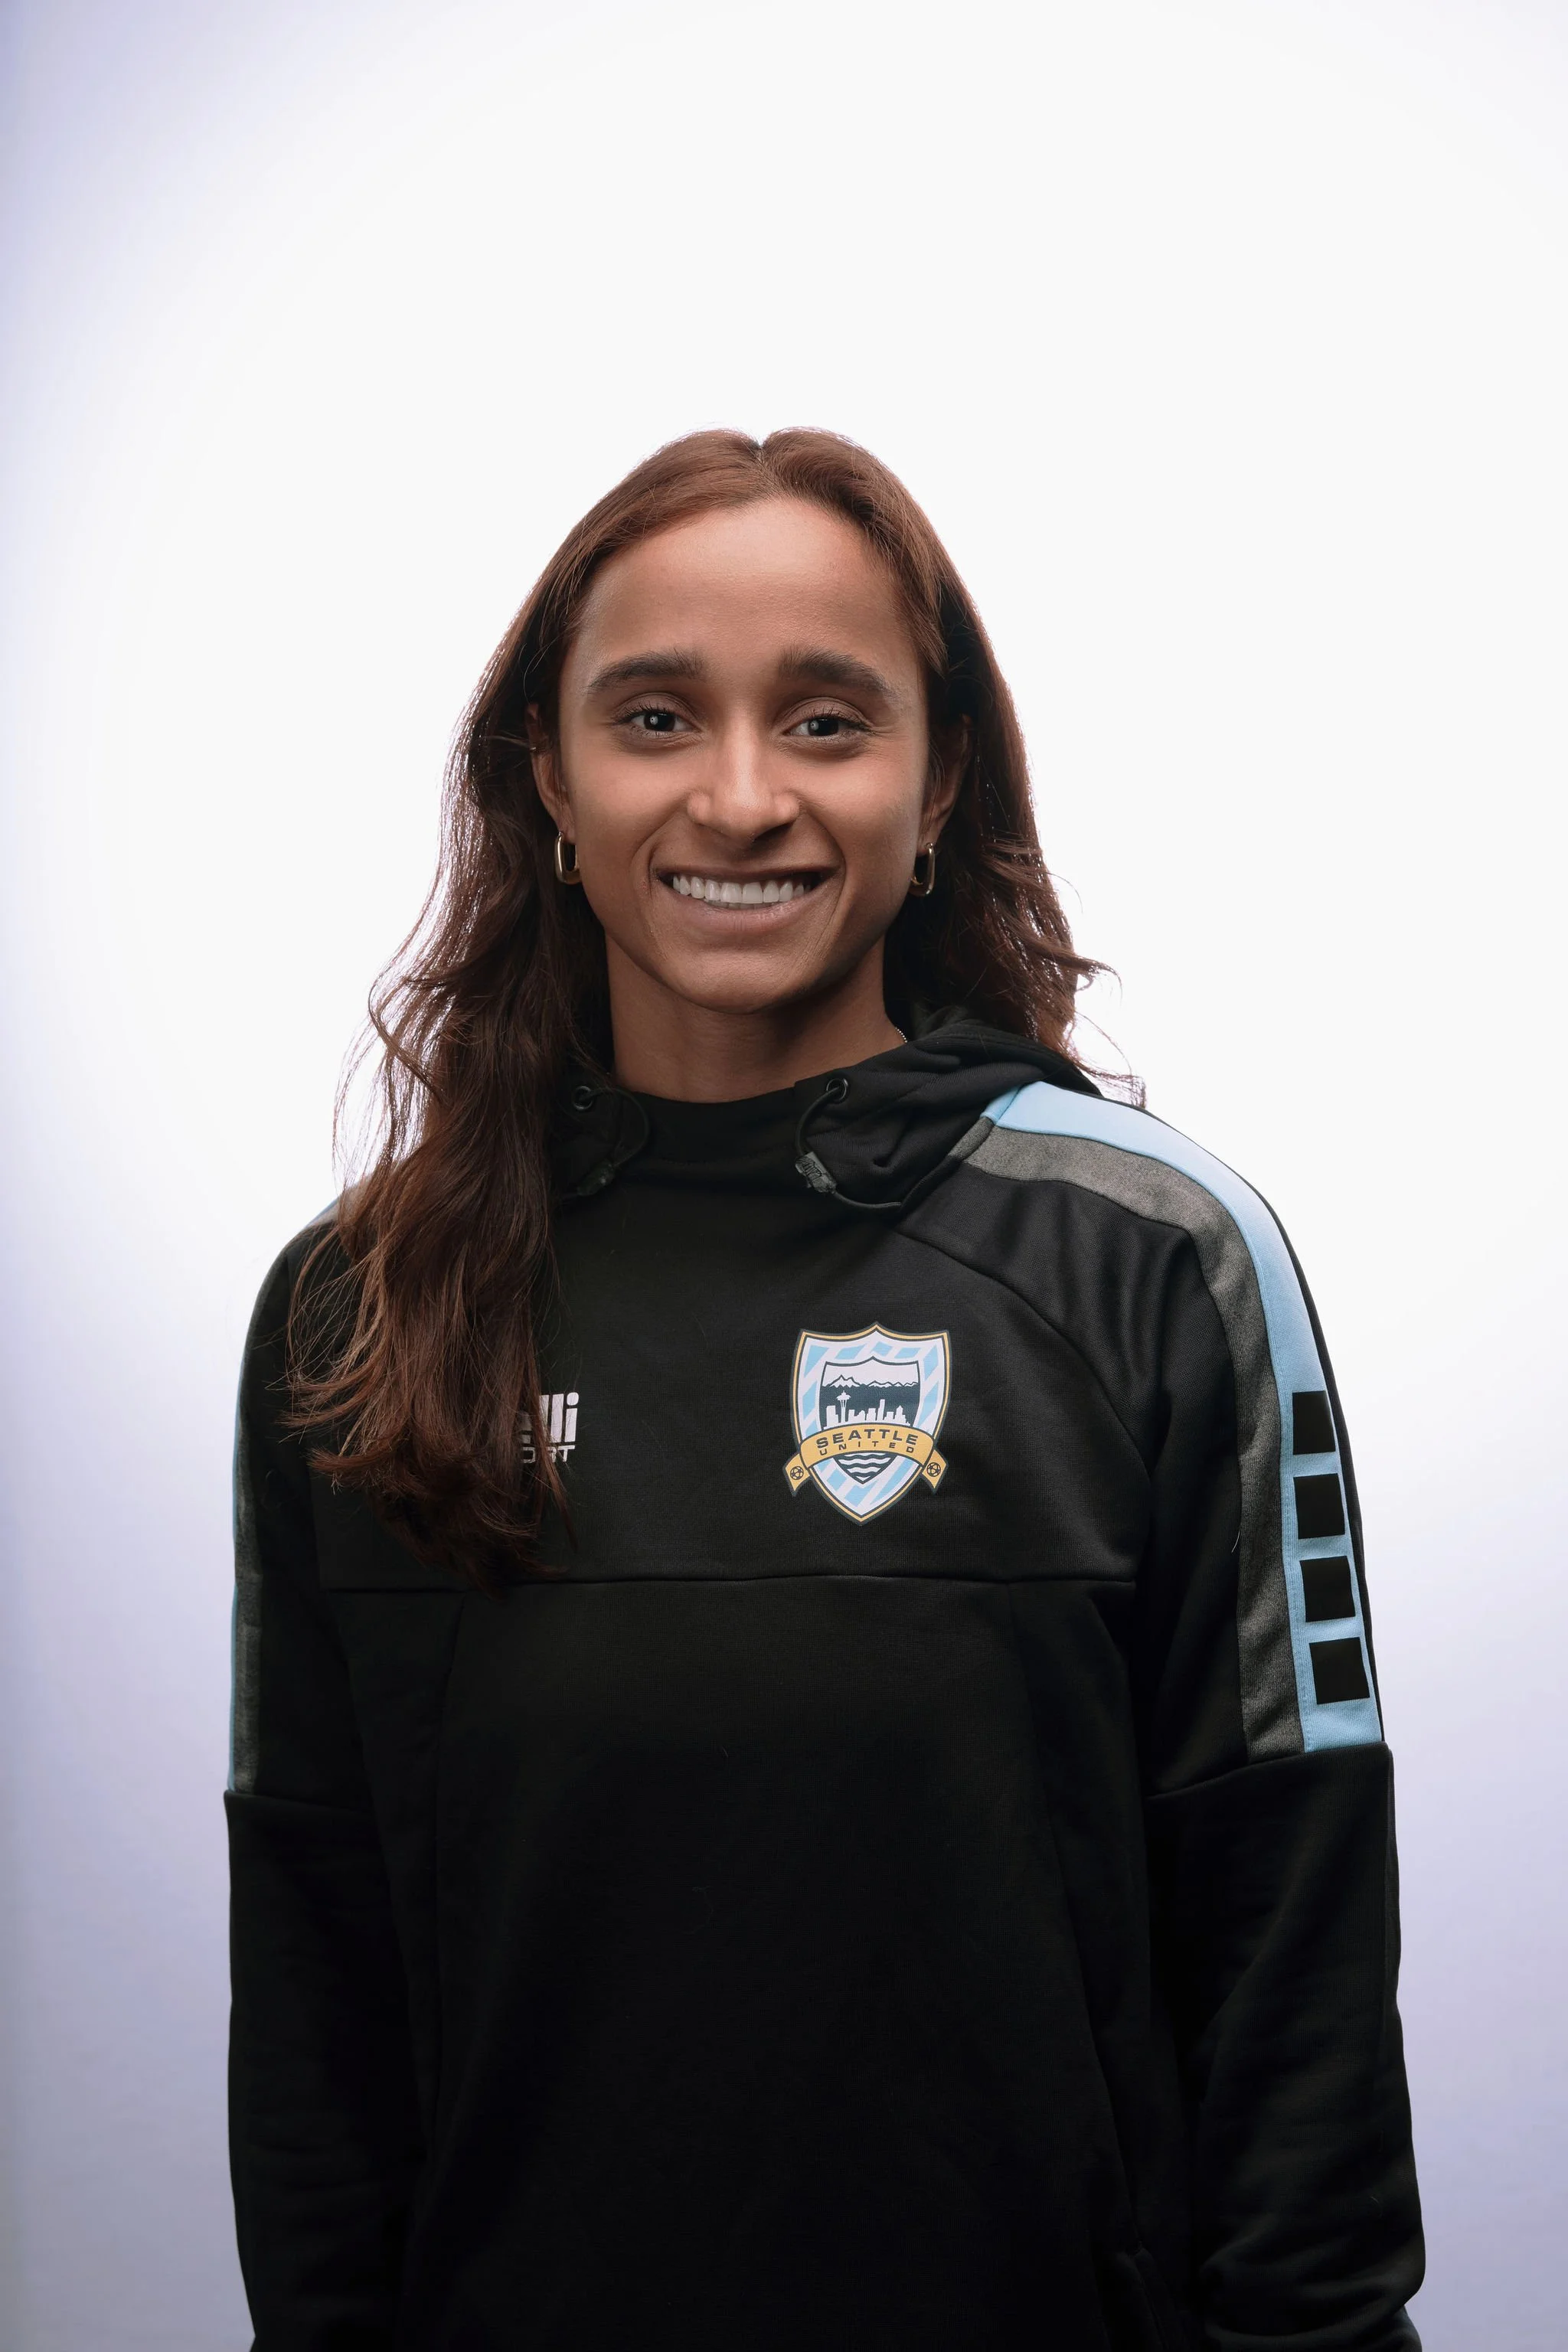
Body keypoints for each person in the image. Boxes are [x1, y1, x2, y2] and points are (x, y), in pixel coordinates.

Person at [227, 428, 1423, 2351]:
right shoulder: (363, 1304)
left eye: (825, 720)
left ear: (937, 782)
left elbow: (1289, 1933)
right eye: (653, 716)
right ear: (549, 778)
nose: (739, 795)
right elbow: (316, 1969)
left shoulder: (1146, 1258)